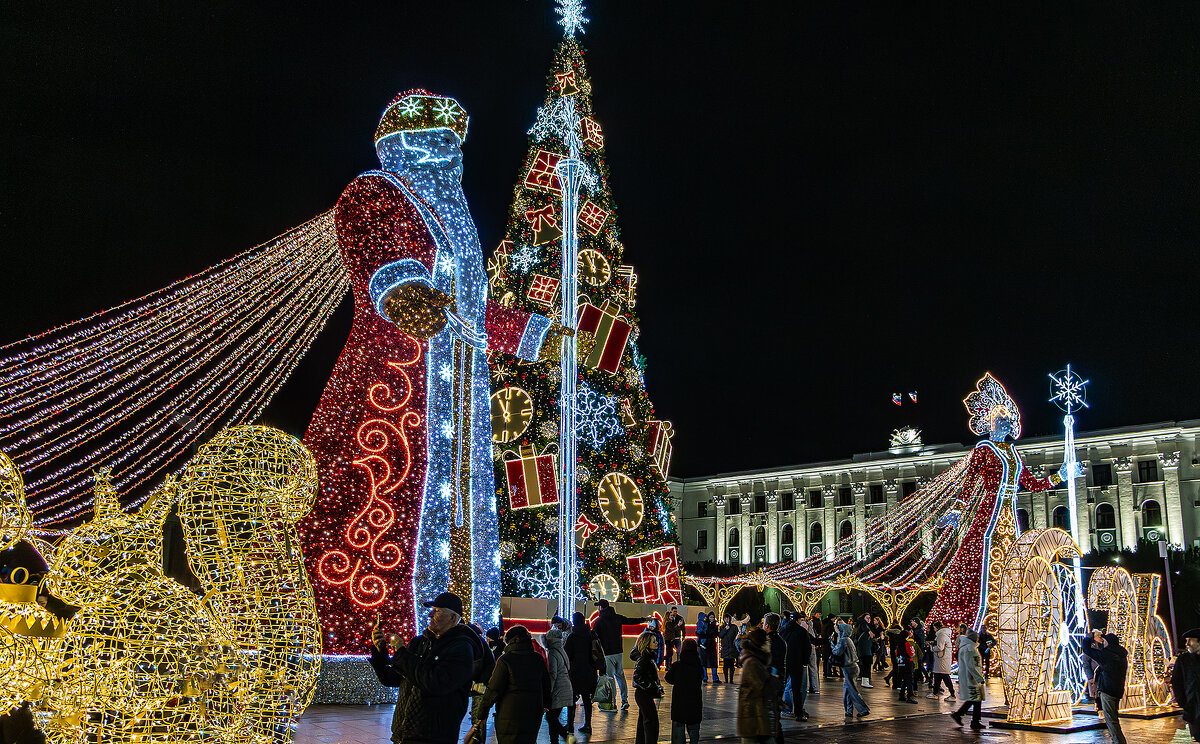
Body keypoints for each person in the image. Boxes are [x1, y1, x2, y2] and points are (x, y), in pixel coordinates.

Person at [300, 91, 570, 645]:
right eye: (430, 145)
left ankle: (472, 639)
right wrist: (400, 288)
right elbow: (374, 247)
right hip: (392, 389)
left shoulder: (456, 226)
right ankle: (374, 646)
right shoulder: (377, 190)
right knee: (383, 507)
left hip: (463, 403)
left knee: (466, 522)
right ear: (399, 147)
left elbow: (471, 313)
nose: (444, 158)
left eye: (451, 147)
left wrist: (540, 335)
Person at [369, 592, 484, 744]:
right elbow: (392, 679)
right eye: (431, 610)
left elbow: (435, 683)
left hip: (433, 736)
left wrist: (401, 652)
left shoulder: (461, 648)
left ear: (452, 618)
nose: (430, 615)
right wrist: (380, 651)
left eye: (437, 611)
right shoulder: (419, 643)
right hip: (403, 734)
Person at [480, 625, 552, 744]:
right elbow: (546, 684)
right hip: (533, 712)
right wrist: (546, 703)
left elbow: (493, 689)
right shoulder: (537, 658)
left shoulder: (505, 660)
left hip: (509, 714)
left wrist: (482, 712)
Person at [593, 599, 649, 711]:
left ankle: (613, 702)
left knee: (610, 678)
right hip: (619, 652)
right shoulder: (617, 617)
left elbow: (594, 636)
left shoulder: (599, 621)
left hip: (607, 654)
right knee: (620, 676)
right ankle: (624, 701)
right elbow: (630, 621)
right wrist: (645, 619)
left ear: (601, 607)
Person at [1082, 630, 1128, 744]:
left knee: (1111, 720)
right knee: (1113, 717)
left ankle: (1118, 741)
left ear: (1108, 642)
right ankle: (1117, 740)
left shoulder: (1106, 654)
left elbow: (1086, 649)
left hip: (1107, 690)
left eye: (1104, 640)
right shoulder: (1122, 655)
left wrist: (1090, 636)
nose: (1103, 642)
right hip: (1118, 689)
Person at [737, 628, 782, 744]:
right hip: (752, 718)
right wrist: (774, 680)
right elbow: (761, 687)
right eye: (767, 641)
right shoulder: (752, 662)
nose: (769, 643)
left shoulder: (758, 660)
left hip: (759, 715)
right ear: (761, 644)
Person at [564, 612, 602, 734]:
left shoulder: (572, 636)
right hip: (590, 671)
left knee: (572, 700)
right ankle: (588, 724)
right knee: (587, 699)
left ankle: (570, 725)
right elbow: (598, 651)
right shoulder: (591, 634)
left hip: (575, 672)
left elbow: (567, 654)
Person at [665, 638, 704, 744]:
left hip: (679, 703)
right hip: (694, 703)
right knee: (694, 730)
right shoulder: (698, 666)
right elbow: (701, 678)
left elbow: (668, 678)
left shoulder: (677, 666)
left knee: (678, 730)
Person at [831, 618, 870, 722]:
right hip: (854, 666)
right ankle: (848, 710)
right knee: (848, 690)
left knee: (852, 690)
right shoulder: (849, 640)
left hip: (848, 667)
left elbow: (837, 652)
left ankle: (863, 709)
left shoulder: (843, 640)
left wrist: (832, 646)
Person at [948, 627, 984, 731]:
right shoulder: (969, 648)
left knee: (975, 699)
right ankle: (971, 719)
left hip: (970, 676)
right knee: (976, 698)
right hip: (971, 678)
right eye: (977, 637)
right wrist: (979, 678)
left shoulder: (968, 647)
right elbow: (971, 665)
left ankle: (964, 716)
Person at [543, 626, 575, 744]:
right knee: (553, 718)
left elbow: (553, 674)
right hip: (566, 686)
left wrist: (549, 691)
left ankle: (567, 738)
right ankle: (557, 740)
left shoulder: (552, 653)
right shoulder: (561, 650)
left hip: (558, 689)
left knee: (550, 717)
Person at [780, 610, 812, 720]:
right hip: (797, 663)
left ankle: (781, 709)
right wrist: (804, 662)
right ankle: (798, 713)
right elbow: (807, 648)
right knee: (796, 689)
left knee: (782, 687)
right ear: (798, 620)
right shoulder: (802, 632)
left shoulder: (783, 629)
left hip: (784, 663)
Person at [631, 631, 663, 744]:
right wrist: (653, 687)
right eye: (653, 641)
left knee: (644, 721)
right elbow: (637, 677)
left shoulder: (648, 658)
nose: (656, 643)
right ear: (646, 643)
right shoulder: (644, 659)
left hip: (644, 693)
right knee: (651, 722)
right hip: (643, 694)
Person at [1170, 628, 1200, 742]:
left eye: (1190, 640)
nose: (1187, 644)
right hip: (1193, 708)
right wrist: (1183, 702)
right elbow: (1176, 682)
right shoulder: (1183, 660)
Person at [929, 621, 955, 701]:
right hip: (942, 659)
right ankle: (935, 693)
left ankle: (952, 695)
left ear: (937, 627)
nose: (934, 630)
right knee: (938, 677)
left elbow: (940, 647)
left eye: (934, 628)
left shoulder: (941, 635)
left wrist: (932, 648)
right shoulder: (944, 635)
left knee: (945, 677)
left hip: (942, 659)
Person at [894, 627, 917, 703]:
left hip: (901, 664)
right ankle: (910, 696)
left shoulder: (898, 644)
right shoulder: (907, 644)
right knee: (910, 680)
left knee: (905, 680)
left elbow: (896, 655)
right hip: (908, 664)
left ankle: (901, 694)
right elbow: (912, 653)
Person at [854, 614, 874, 689]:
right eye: (867, 618)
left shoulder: (860, 625)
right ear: (863, 618)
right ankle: (865, 682)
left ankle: (865, 681)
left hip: (864, 649)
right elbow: (864, 627)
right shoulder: (863, 623)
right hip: (865, 650)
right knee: (866, 665)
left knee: (865, 664)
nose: (869, 619)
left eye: (870, 618)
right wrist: (869, 631)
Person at [720, 615, 740, 683]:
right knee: (725, 666)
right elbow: (720, 635)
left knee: (732, 666)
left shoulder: (734, 627)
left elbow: (737, 635)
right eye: (725, 618)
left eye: (728, 618)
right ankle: (726, 680)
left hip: (732, 648)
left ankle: (731, 680)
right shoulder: (722, 627)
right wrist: (725, 629)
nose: (726, 620)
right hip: (725, 648)